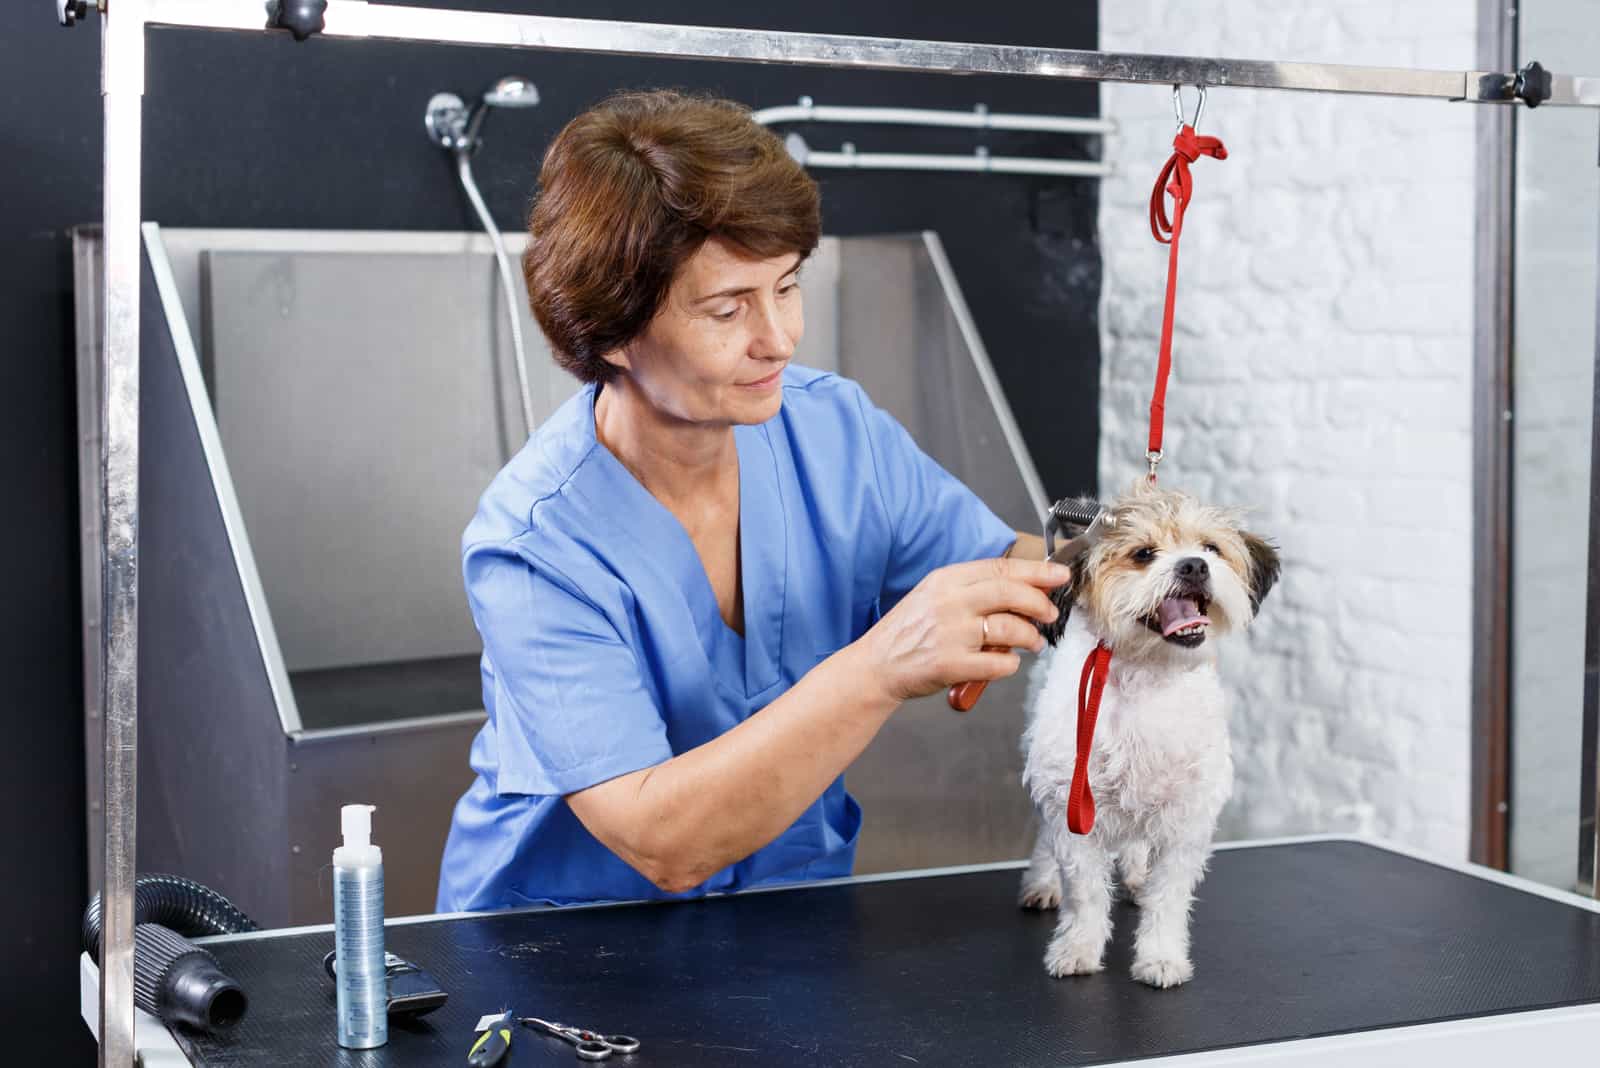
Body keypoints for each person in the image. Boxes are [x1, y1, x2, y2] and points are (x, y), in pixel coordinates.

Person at [437, 89, 1065, 911]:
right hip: (563, 951)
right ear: (614, 333)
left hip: (784, 921)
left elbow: (1005, 566)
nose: (779, 336)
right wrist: (880, 667)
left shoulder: (835, 432)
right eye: (728, 308)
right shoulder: (535, 545)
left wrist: (1145, 565)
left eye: (788, 286)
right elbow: (663, 840)